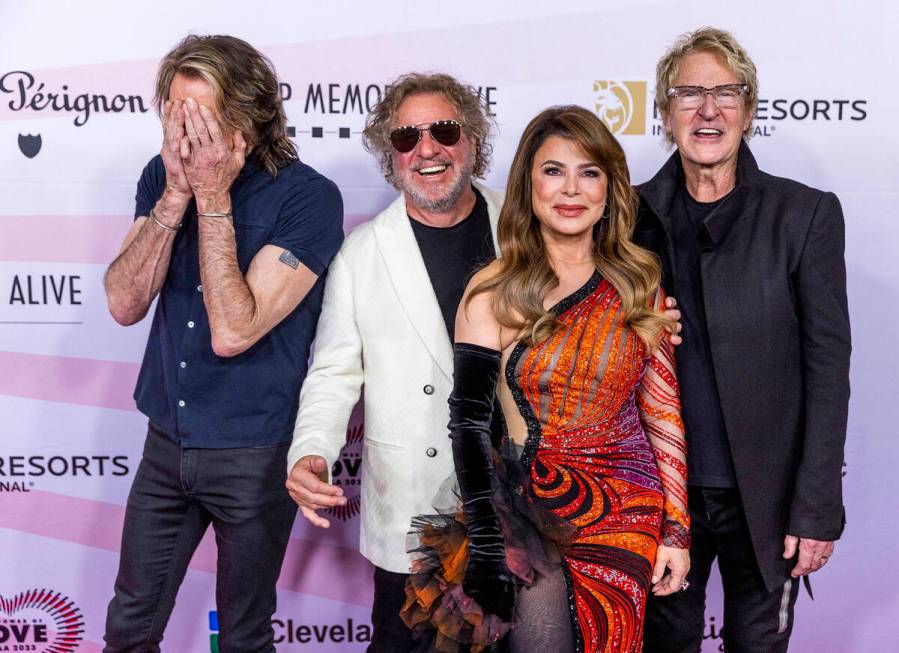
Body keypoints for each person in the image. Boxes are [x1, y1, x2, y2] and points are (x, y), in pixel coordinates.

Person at [402, 105, 691, 653]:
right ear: (528, 185)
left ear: (609, 188)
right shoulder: (495, 290)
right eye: (553, 171)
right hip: (535, 518)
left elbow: (662, 413)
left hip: (628, 517)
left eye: (589, 172)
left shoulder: (638, 284)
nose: (571, 189)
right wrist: (486, 541)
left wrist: (677, 530)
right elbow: (466, 424)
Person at [102, 35, 343, 652]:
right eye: (177, 114)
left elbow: (234, 330)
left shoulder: (308, 197)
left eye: (204, 116)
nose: (188, 132)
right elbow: (124, 303)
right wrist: (179, 191)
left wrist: (210, 196)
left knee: (242, 635)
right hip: (167, 442)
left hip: (253, 453)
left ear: (251, 117)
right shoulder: (162, 175)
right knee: (129, 625)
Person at [638, 28, 851, 653]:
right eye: (689, 94)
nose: (708, 110)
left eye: (725, 93)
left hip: (771, 500)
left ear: (750, 110)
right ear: (664, 112)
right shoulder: (625, 216)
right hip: (661, 494)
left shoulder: (804, 214)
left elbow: (828, 368)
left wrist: (816, 507)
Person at [285, 72, 503, 653]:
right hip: (414, 516)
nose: (426, 148)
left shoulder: (525, 226)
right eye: (406, 138)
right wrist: (311, 451)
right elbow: (333, 373)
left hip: (519, 509)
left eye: (445, 130)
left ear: (473, 140)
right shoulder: (361, 254)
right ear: (391, 155)